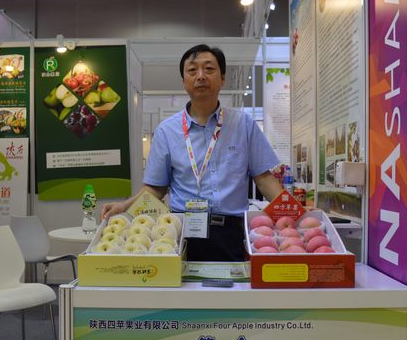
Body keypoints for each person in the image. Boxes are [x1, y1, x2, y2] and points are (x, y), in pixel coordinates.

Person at [101, 44, 283, 262]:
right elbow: (156, 188)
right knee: (182, 284)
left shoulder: (243, 124)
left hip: (232, 232)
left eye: (209, 69)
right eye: (192, 70)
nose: (201, 76)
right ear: (184, 81)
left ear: (222, 78)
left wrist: (294, 213)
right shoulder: (167, 131)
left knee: (234, 283)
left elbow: (264, 179)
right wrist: (124, 205)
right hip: (182, 231)